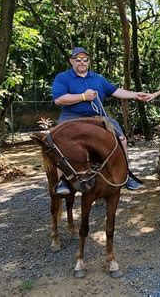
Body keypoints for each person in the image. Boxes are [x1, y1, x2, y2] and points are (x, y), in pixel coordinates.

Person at [52, 47, 149, 195]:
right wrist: (83, 97)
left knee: (121, 139)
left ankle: (125, 175)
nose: (82, 62)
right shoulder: (62, 78)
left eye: (85, 59)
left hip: (97, 116)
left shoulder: (98, 78)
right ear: (72, 61)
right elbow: (59, 100)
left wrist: (136, 95)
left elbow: (115, 91)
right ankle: (62, 180)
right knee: (57, 142)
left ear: (89, 61)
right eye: (78, 60)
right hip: (71, 117)